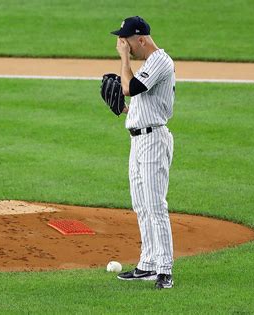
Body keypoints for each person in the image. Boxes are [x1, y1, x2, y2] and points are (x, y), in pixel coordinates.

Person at [111, 16, 176, 289]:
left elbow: (131, 88)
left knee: (155, 206)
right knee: (140, 205)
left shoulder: (161, 60)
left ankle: (164, 270)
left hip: (153, 142)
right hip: (138, 141)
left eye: (127, 41)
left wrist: (123, 59)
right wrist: (126, 110)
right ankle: (147, 264)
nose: (124, 45)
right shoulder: (149, 65)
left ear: (141, 39)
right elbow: (140, 101)